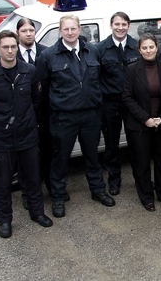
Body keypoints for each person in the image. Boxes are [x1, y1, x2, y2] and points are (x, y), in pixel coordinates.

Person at [0, 30, 52, 238]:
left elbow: (37, 99)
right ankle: (5, 221)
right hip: (2, 141)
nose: (10, 51)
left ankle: (37, 213)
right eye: (6, 47)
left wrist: (27, 121)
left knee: (33, 179)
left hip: (28, 137)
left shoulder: (29, 71)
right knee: (3, 184)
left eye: (13, 47)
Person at [36, 14, 115, 219]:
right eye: (66, 29)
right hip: (64, 117)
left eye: (73, 28)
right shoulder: (48, 56)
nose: (70, 32)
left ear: (80, 29)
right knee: (60, 160)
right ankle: (58, 197)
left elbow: (98, 79)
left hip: (90, 115)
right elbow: (43, 89)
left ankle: (98, 190)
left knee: (92, 157)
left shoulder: (93, 51)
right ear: (60, 31)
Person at [122, 33, 161, 212]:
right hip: (139, 125)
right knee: (142, 162)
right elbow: (127, 98)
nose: (148, 50)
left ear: (157, 48)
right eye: (144, 47)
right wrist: (146, 119)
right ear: (139, 50)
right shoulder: (131, 69)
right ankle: (146, 196)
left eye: (151, 47)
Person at [96, 12, 141, 196]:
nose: (120, 27)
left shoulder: (136, 46)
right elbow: (96, 78)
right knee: (111, 145)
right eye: (117, 24)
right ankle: (114, 180)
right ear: (111, 25)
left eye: (124, 24)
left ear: (129, 26)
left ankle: (141, 179)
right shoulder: (100, 49)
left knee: (136, 143)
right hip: (110, 103)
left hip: (133, 103)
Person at [15, 18, 51, 209]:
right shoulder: (12, 55)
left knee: (47, 154)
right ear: (18, 33)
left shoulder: (46, 52)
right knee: (25, 159)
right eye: (24, 30)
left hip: (45, 114)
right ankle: (28, 193)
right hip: (23, 117)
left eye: (31, 30)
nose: (28, 33)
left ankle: (50, 189)